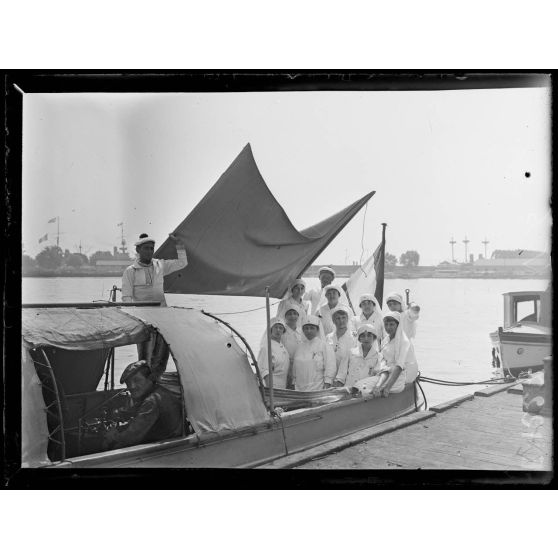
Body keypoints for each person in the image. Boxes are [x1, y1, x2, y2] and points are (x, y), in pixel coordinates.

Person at [103, 360, 183, 450]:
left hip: (168, 449)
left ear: (150, 379)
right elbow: (138, 419)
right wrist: (119, 428)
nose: (132, 386)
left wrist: (114, 437)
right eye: (128, 383)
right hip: (173, 440)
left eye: (137, 380)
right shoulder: (158, 392)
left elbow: (132, 437)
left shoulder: (152, 401)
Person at [121, 232, 188, 307]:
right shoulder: (130, 271)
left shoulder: (160, 265)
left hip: (162, 312)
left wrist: (179, 244)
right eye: (146, 248)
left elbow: (182, 262)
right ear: (138, 250)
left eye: (151, 248)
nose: (149, 251)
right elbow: (126, 297)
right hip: (141, 313)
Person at [372, 311, 419, 397]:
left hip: (402, 374)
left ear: (398, 325)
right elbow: (382, 359)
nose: (388, 327)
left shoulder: (404, 341)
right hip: (387, 371)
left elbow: (399, 366)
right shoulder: (385, 340)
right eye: (386, 324)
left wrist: (387, 388)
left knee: (368, 386)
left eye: (391, 324)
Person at [292, 315, 336, 391]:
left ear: (317, 329)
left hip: (318, 388)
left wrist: (327, 384)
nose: (309, 331)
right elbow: (295, 369)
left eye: (312, 328)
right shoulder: (299, 347)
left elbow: (330, 366)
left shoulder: (324, 346)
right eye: (306, 328)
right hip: (299, 389)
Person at [334, 324, 382, 390]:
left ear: (374, 338)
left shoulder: (378, 356)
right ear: (359, 339)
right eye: (363, 336)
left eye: (369, 336)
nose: (366, 339)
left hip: (365, 392)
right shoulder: (350, 353)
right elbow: (341, 375)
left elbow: (376, 377)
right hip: (348, 390)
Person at [257, 317, 290, 389]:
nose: (278, 330)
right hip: (271, 388)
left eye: (281, 328)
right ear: (271, 329)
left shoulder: (282, 347)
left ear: (283, 331)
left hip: (282, 387)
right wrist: (270, 389)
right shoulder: (266, 347)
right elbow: (264, 371)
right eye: (276, 327)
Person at [326, 306, 357, 374]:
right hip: (331, 374)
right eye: (338, 318)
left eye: (343, 317)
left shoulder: (354, 337)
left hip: (348, 374)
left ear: (347, 319)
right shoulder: (328, 337)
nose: (341, 321)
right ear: (333, 320)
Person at [281, 304, 304, 389]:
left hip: (300, 365)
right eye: (289, 314)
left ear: (298, 315)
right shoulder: (282, 332)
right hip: (286, 366)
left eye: (295, 313)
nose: (292, 316)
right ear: (285, 316)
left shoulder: (302, 331)